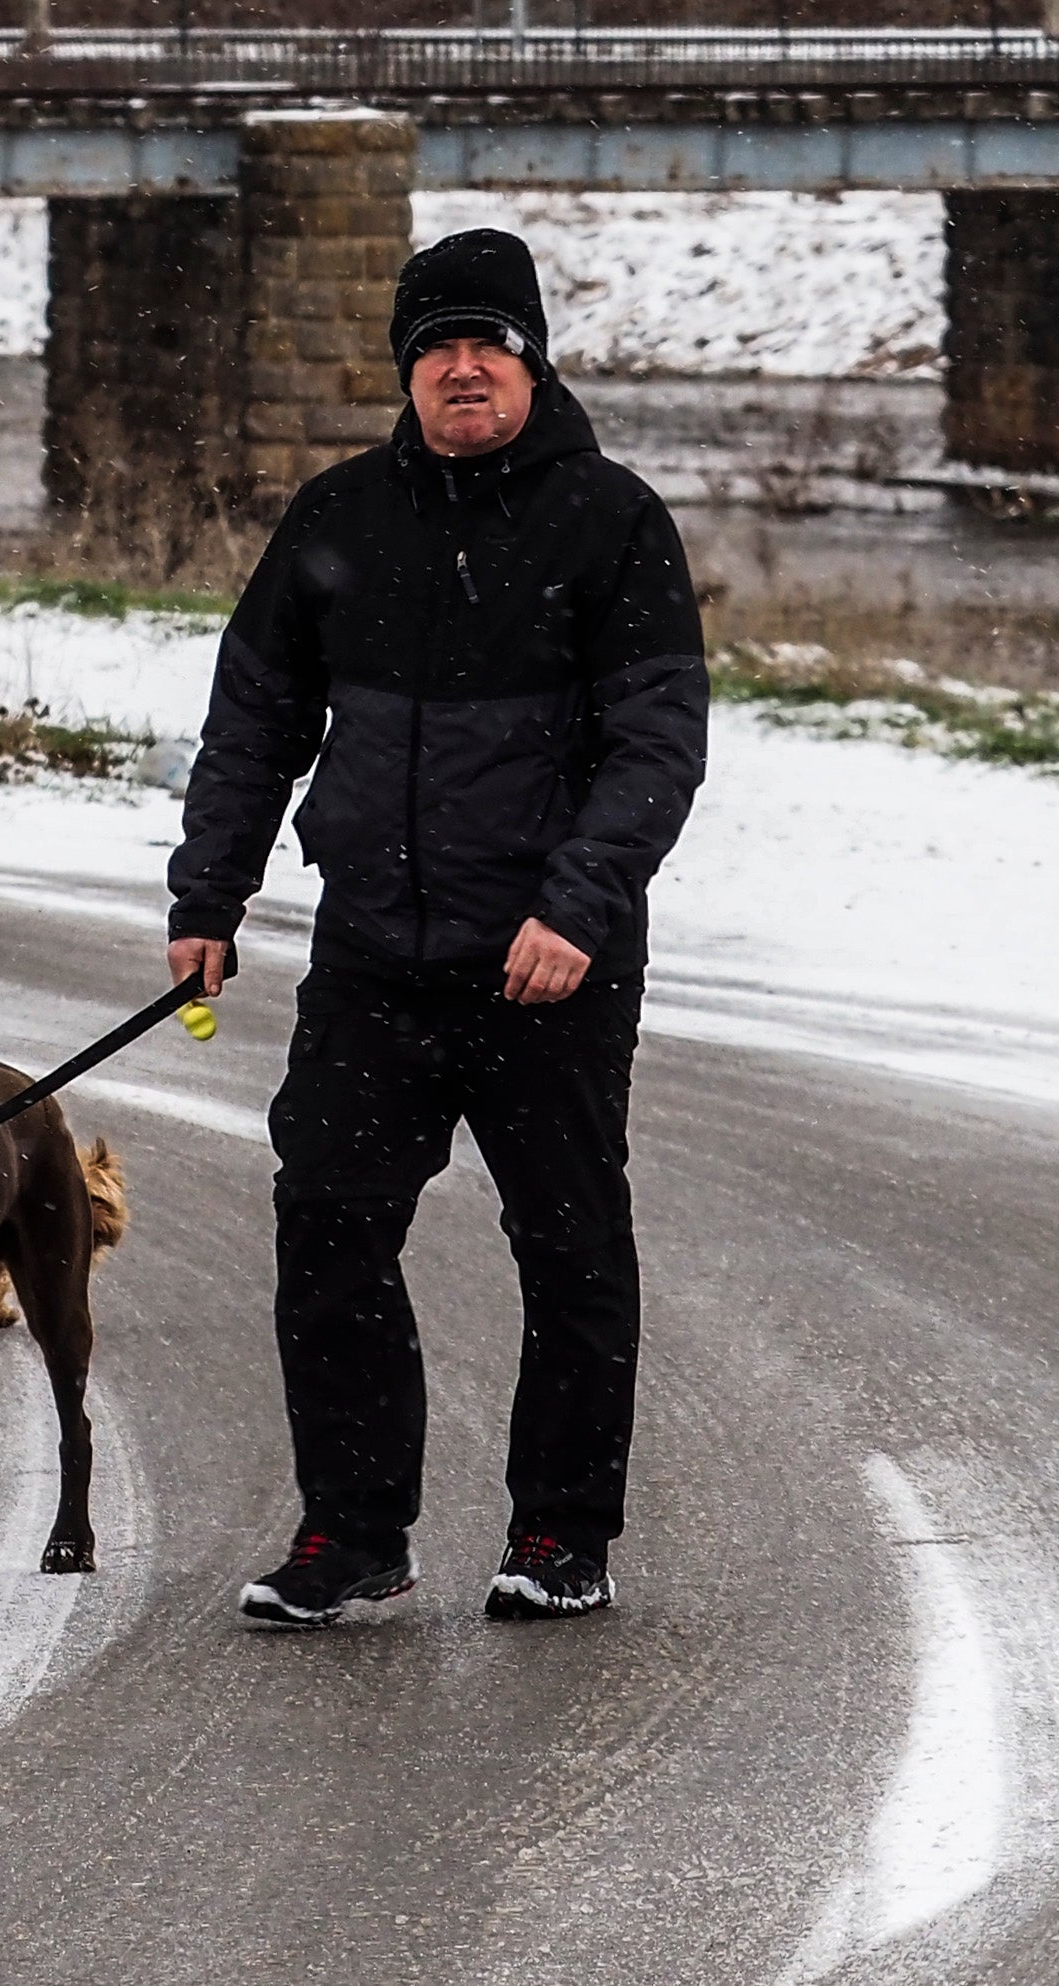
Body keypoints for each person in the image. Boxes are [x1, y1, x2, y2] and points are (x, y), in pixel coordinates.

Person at [165, 228, 708, 1626]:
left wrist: (576, 907)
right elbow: (255, 721)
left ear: (530, 360)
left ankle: (561, 1534)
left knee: (570, 1247)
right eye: (437, 346)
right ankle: (353, 1531)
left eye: (490, 343)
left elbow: (655, 746)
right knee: (329, 1232)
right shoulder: (341, 516)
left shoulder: (611, 521)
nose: (464, 367)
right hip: (374, 960)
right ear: (407, 369)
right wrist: (208, 898)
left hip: (548, 965)